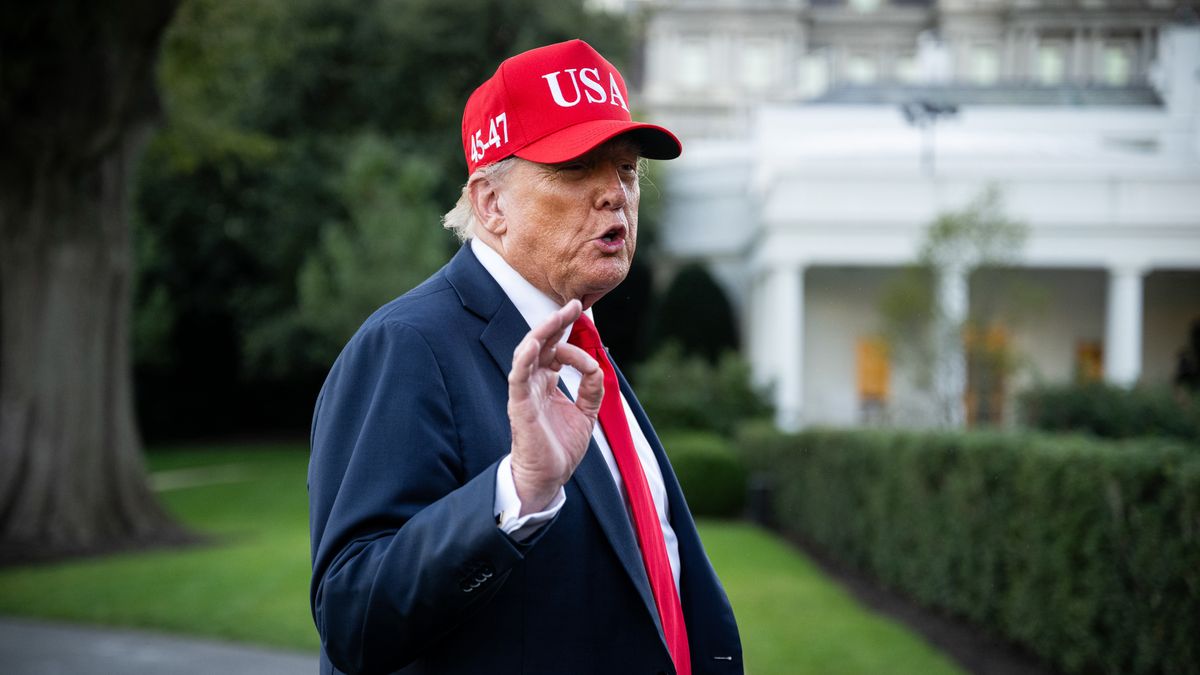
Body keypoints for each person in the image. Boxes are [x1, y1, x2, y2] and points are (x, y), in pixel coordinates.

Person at [308, 39, 743, 675]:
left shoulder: (581, 345)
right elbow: (353, 615)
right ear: (490, 203)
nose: (614, 194)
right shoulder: (407, 344)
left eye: (626, 170)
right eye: (574, 169)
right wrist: (516, 493)